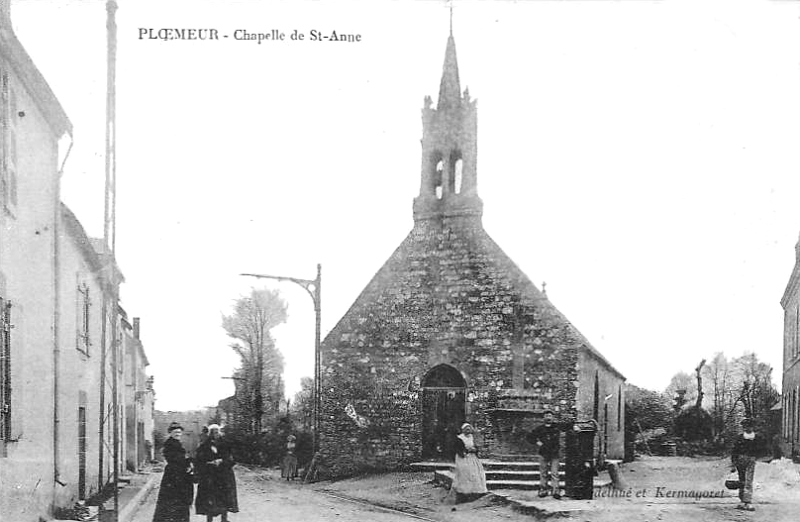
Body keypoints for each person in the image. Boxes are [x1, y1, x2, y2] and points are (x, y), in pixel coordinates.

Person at [195, 424, 239, 521]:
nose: (215, 434)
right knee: (210, 498)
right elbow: (199, 460)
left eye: (217, 432)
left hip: (224, 475)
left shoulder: (226, 444)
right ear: (209, 434)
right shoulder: (204, 445)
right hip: (210, 476)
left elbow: (232, 459)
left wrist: (222, 461)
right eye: (213, 432)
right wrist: (208, 463)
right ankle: (209, 519)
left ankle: (224, 519)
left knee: (224, 498)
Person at [152, 422, 194, 522]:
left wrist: (188, 462)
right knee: (172, 500)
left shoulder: (178, 444)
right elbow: (175, 459)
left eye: (179, 432)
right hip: (173, 476)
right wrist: (187, 462)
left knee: (178, 500)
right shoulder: (169, 444)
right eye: (175, 432)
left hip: (179, 475)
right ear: (170, 433)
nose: (178, 434)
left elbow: (182, 459)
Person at [527, 410, 570, 499]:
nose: (548, 417)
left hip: (554, 454)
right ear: (543, 418)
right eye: (546, 416)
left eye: (550, 416)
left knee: (555, 473)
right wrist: (537, 442)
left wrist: (574, 425)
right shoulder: (539, 428)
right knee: (543, 473)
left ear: (553, 417)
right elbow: (530, 437)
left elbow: (567, 427)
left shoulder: (557, 427)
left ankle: (555, 491)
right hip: (543, 453)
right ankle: (543, 490)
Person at [731, 418, 766, 512]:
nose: (747, 428)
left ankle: (748, 501)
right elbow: (734, 451)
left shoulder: (757, 438)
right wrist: (733, 463)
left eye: (750, 426)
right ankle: (742, 500)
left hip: (751, 459)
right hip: (740, 460)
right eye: (745, 426)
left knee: (748, 480)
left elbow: (762, 448)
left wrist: (757, 456)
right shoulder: (740, 438)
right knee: (742, 480)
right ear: (743, 427)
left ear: (753, 427)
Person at [451, 423, 488, 503]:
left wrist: (475, 450)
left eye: (469, 429)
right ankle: (463, 493)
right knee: (465, 474)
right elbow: (457, 449)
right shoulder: (460, 438)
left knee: (475, 473)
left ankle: (474, 492)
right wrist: (466, 451)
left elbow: (476, 446)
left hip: (472, 458)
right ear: (463, 430)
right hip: (463, 458)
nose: (468, 431)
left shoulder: (471, 437)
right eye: (466, 429)